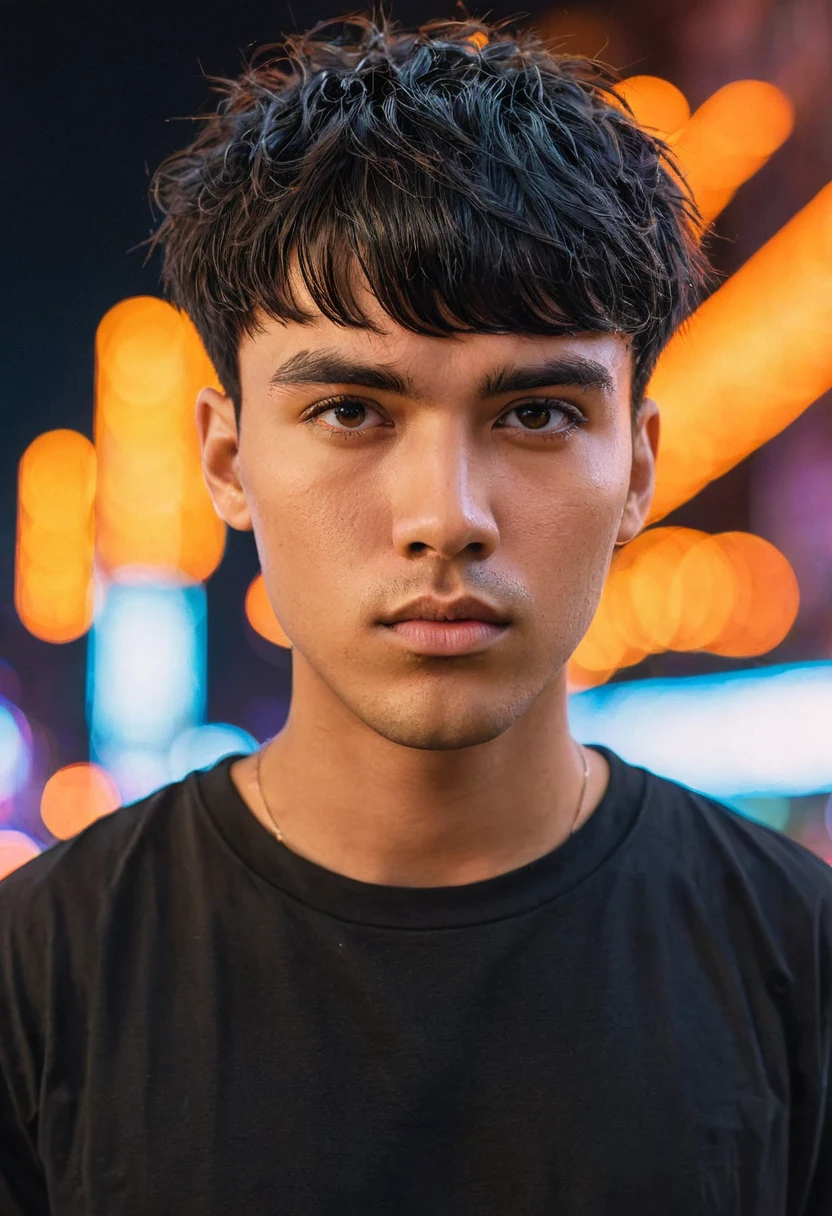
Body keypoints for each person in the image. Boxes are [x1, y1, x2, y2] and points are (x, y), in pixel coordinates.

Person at [1, 9, 829, 1213]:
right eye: (351, 410)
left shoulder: (797, 963)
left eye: (535, 413)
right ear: (226, 461)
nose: (445, 515)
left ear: (639, 465)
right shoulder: (41, 976)